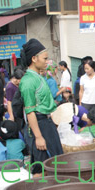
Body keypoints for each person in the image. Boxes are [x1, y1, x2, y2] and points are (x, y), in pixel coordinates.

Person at [19, 38, 63, 177]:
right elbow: (30, 112)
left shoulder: (38, 76)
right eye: (45, 58)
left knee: (53, 163)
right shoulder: (28, 81)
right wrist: (38, 137)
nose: (47, 61)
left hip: (45, 123)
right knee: (42, 167)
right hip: (39, 125)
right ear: (34, 58)